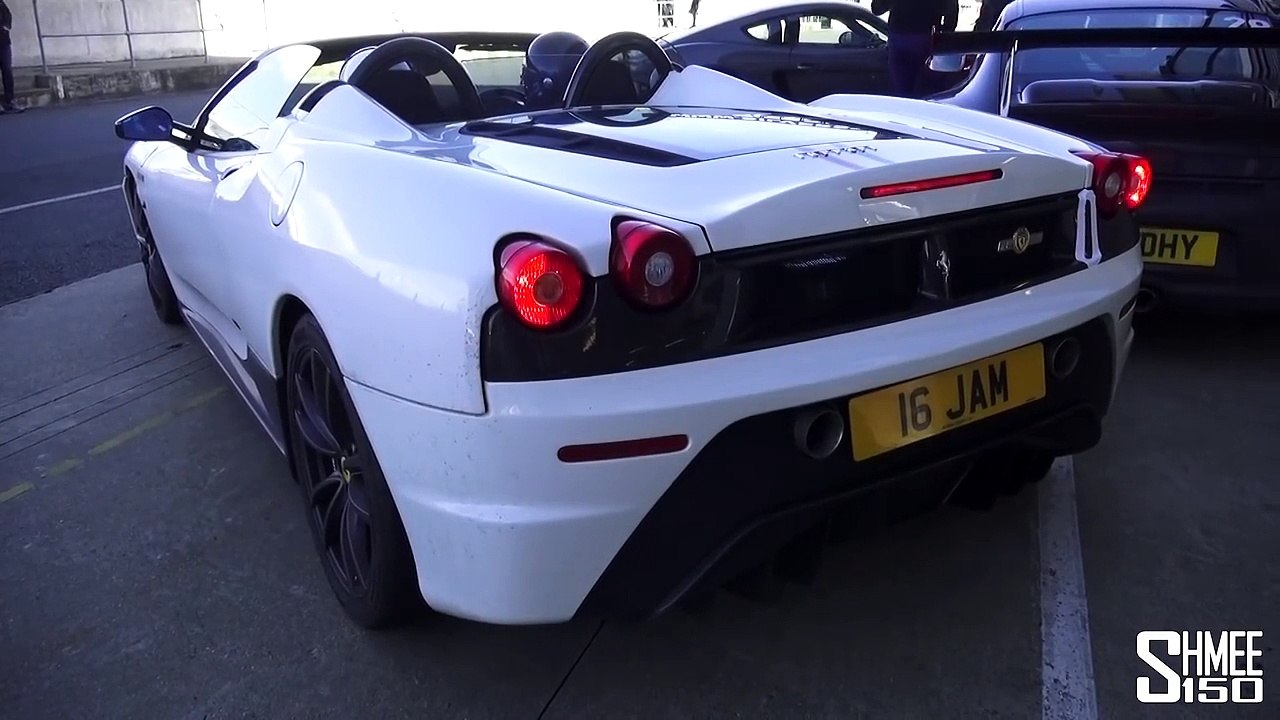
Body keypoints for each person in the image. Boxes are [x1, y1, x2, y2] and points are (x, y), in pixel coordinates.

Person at [871, 0, 959, 98]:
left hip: (898, 36)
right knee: (924, 84)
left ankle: (904, 105)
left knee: (900, 86)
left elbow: (877, 9)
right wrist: (943, 31)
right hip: (924, 36)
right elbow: (951, 12)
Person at [519, 31, 589, 111]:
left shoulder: (543, 119)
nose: (522, 81)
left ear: (547, 82)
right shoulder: (595, 113)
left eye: (528, 76)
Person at [0, 0, 22, 114]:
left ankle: (10, 100)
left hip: (3, 41)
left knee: (7, 70)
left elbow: (8, 15)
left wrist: (6, 27)